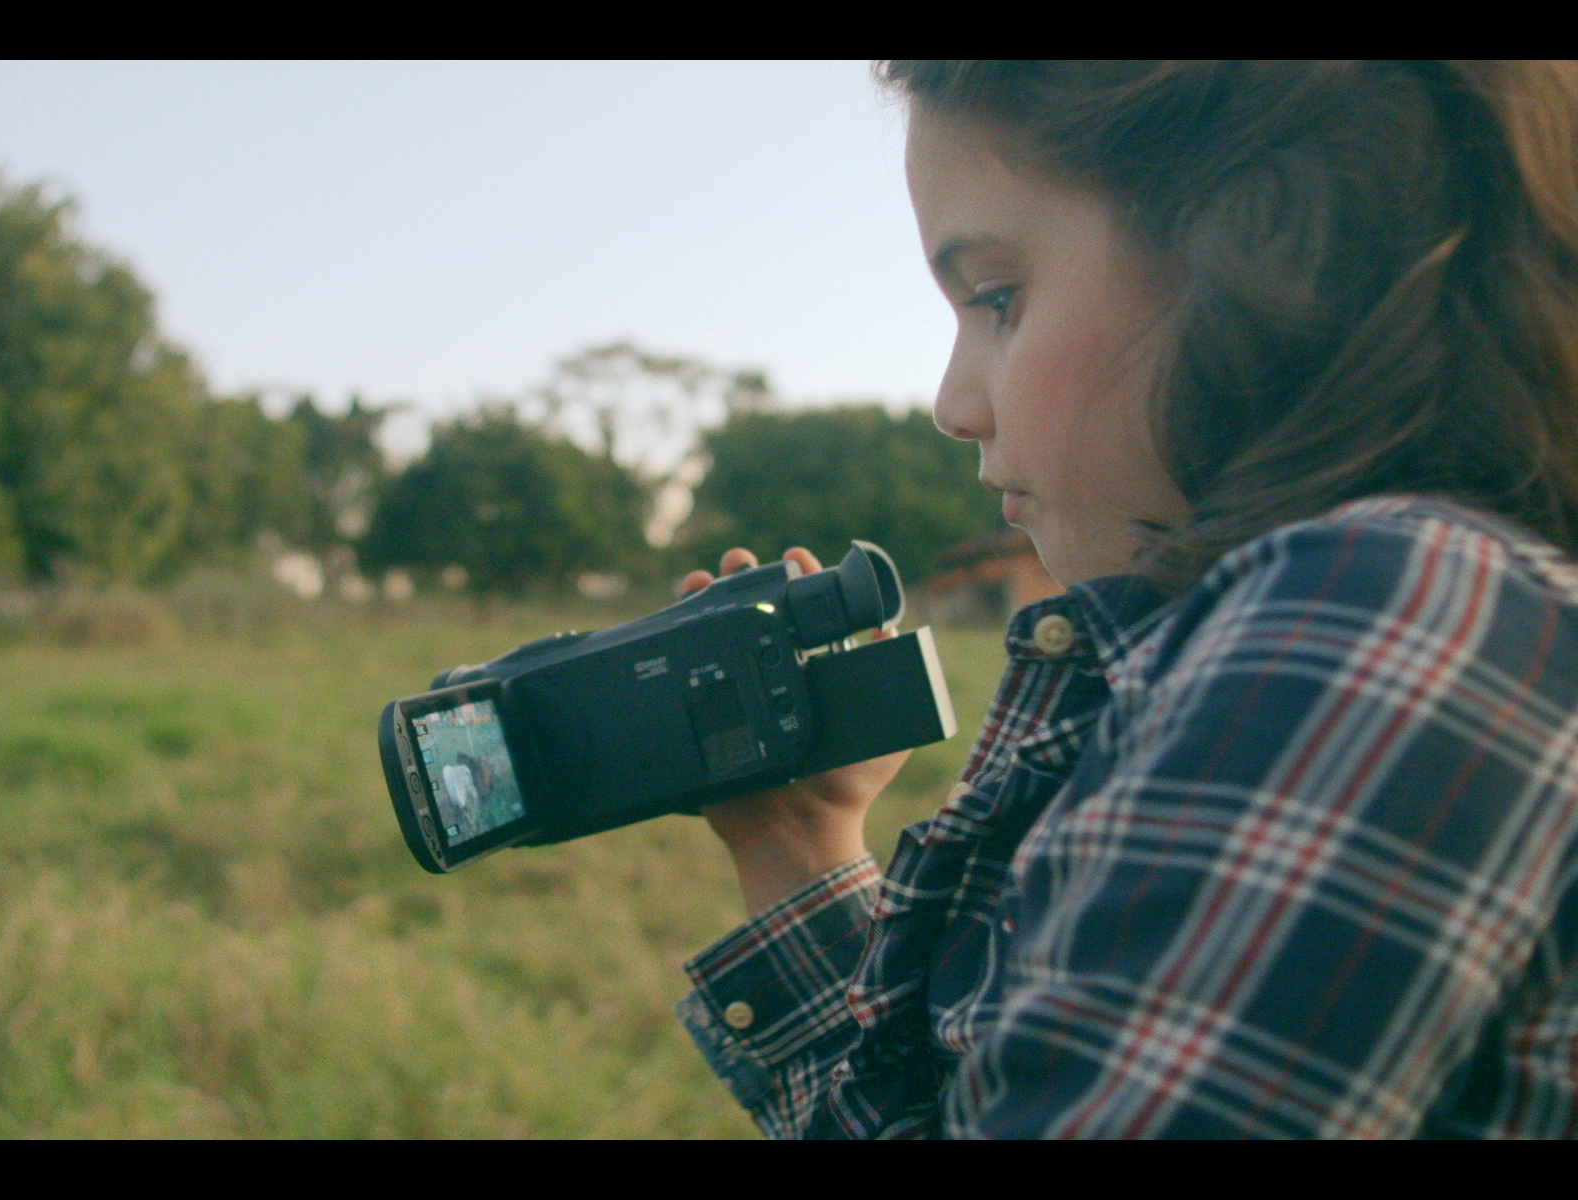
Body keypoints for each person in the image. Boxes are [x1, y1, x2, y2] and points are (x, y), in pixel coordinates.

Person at [674, 61, 1578, 1139]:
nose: (954, 403)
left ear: (1267, 248)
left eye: (997, 298)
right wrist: (798, 842)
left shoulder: (1387, 618)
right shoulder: (1339, 626)